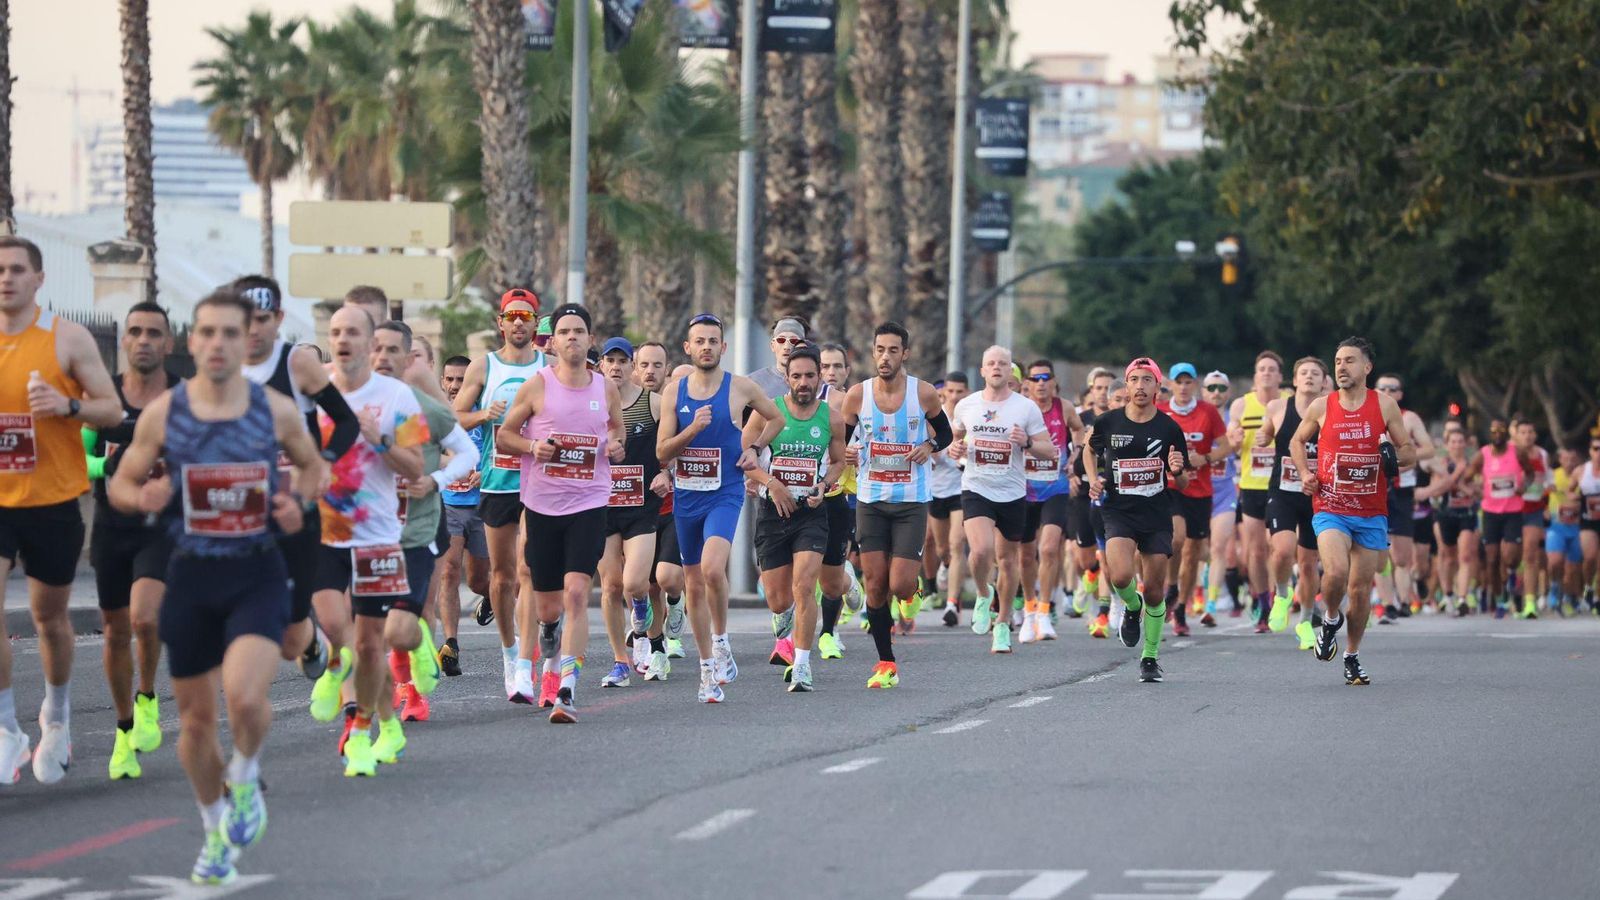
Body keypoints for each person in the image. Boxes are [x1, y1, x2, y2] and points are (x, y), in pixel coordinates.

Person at [107, 290, 326, 884]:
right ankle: (213, 833)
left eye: (231, 332)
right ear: (193, 340)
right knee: (197, 726)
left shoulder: (274, 409)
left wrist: (296, 501)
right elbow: (119, 482)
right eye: (207, 332)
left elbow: (314, 467)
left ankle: (248, 775)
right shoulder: (166, 413)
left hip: (255, 572)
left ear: (245, 337)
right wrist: (141, 496)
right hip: (191, 577)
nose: (219, 343)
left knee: (246, 699)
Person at [0, 235, 124, 787]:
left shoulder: (66, 338)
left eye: (17, 270)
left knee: (49, 620)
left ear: (39, 279)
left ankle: (57, 716)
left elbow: (113, 409)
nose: (6, 279)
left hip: (52, 500)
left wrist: (68, 406)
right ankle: (6, 728)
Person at [309, 306, 431, 776]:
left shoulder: (397, 395)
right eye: (335, 331)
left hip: (377, 535)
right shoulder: (314, 391)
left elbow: (415, 466)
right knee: (334, 626)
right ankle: (335, 670)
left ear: (369, 343)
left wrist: (378, 439)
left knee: (368, 646)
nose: (343, 339)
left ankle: (366, 729)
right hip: (323, 531)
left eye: (352, 332)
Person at [496, 304, 625, 722]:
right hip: (542, 505)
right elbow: (504, 436)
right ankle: (548, 635)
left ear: (590, 340)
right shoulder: (537, 386)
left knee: (575, 593)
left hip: (589, 502)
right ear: (551, 341)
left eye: (580, 331)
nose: (572, 337)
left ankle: (566, 688)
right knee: (548, 606)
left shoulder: (604, 388)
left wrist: (616, 444)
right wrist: (533, 447)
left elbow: (616, 429)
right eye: (565, 331)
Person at [234, 274, 359, 676]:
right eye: (244, 319)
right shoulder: (220, 368)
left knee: (289, 640)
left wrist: (323, 461)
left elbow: (346, 422)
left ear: (278, 318)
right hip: (239, 510)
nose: (253, 329)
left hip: (298, 508)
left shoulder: (297, 364)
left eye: (262, 319)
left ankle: (309, 642)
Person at [657, 313, 783, 703]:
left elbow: (776, 418)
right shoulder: (673, 393)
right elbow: (662, 452)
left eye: (714, 341)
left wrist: (755, 450)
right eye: (700, 341)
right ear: (688, 348)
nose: (707, 347)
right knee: (693, 581)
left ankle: (722, 640)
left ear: (723, 348)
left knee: (713, 568)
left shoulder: (740, 388)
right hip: (687, 497)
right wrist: (692, 429)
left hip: (724, 492)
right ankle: (707, 668)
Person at [83, 302, 177, 780]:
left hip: (160, 528)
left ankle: (147, 696)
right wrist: (106, 468)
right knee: (115, 629)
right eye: (135, 331)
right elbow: (77, 459)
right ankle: (124, 730)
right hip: (111, 525)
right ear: (123, 340)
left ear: (169, 343)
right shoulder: (105, 399)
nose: (143, 339)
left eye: (153, 332)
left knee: (145, 617)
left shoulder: (183, 398)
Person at [1290, 337, 1416, 686]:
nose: (1341, 367)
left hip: (1372, 511)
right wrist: (1304, 473)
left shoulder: (1385, 405)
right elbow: (1297, 441)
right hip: (1330, 506)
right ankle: (1330, 618)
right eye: (1338, 361)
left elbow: (1409, 453)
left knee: (1360, 591)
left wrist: (1392, 455)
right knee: (1335, 572)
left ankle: (1352, 655)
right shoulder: (1322, 406)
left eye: (1349, 361)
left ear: (1367, 368)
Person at [372, 322, 475, 722]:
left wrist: (435, 477)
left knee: (418, 609)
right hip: (373, 525)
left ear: (425, 364)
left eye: (414, 356)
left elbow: (458, 451)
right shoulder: (363, 400)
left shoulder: (429, 407)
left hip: (423, 518)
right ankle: (389, 689)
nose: (403, 362)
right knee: (376, 620)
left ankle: (412, 690)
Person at [838, 322, 951, 688]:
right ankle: (886, 663)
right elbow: (839, 441)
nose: (885, 357)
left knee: (900, 583)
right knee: (874, 584)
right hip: (870, 501)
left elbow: (945, 433)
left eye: (893, 350)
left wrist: (929, 446)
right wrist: (848, 452)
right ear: (873, 353)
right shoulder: (857, 395)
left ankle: (913, 592)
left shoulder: (925, 393)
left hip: (911, 502)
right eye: (880, 350)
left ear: (905, 354)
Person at [451, 289, 546, 699]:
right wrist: (483, 416)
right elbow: (454, 416)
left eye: (526, 315)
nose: (519, 322)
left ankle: (526, 660)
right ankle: (510, 652)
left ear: (536, 323)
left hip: (539, 482)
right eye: (512, 316)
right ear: (501, 322)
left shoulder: (549, 368)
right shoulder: (483, 366)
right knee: (502, 577)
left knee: (528, 572)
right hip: (496, 481)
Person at [743, 343, 846, 691]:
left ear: (820, 377)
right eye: (797, 376)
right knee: (778, 598)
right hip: (773, 511)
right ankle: (782, 617)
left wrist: (824, 485)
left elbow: (838, 462)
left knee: (805, 587)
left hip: (811, 512)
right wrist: (772, 484)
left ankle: (801, 664)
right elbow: (745, 457)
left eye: (810, 375)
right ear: (786, 377)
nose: (803, 382)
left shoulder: (831, 416)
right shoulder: (768, 412)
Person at [1083, 357, 1189, 683]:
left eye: (1147, 380)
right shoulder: (1108, 422)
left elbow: (1182, 482)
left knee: (1156, 590)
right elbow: (1089, 450)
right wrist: (1093, 479)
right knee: (1120, 576)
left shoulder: (1169, 428)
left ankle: (1150, 657)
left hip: (1156, 513)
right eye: (1134, 379)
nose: (1140, 386)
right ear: (1126, 385)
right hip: (1118, 510)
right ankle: (1132, 606)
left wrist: (1176, 469)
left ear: (1158, 387)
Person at [950, 348, 1056, 653]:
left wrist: (1027, 442)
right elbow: (955, 438)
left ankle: (1003, 624)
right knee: (981, 551)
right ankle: (984, 595)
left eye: (1002, 364)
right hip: (976, 486)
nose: (997, 368)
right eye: (991, 364)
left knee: (1008, 560)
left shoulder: (1026, 408)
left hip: (1012, 491)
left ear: (1011, 372)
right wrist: (955, 449)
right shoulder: (967, 405)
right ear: (982, 371)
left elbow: (1049, 451)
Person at [593, 337, 671, 686]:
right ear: (601, 366)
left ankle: (641, 610)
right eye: (610, 361)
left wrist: (666, 473)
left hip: (642, 508)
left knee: (636, 582)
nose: (616, 367)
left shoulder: (653, 403)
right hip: (601, 506)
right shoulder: (591, 406)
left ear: (632, 367)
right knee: (610, 587)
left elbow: (672, 447)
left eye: (623, 361)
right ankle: (620, 662)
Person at [1256, 356, 1328, 648]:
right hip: (1283, 491)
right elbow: (1266, 432)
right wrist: (1262, 436)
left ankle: (1306, 621)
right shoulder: (1277, 407)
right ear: (1295, 380)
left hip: (1315, 495)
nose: (1309, 377)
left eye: (1315, 373)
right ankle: (1283, 594)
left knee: (1309, 563)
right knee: (1283, 550)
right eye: (1304, 373)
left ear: (1324, 382)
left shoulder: (1330, 411)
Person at [1157, 362, 1231, 636]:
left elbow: (1226, 446)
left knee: (1193, 553)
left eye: (1189, 382)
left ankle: (1181, 606)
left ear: (1195, 386)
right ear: (1172, 385)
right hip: (1172, 486)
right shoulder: (1162, 411)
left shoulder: (1207, 412)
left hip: (1200, 490)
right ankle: (1171, 585)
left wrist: (1206, 457)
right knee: (1177, 539)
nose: (1185, 387)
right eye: (1180, 382)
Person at [435, 354, 490, 676]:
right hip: (448, 503)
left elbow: (502, 448)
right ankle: (451, 644)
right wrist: (450, 463)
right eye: (450, 379)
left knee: (483, 580)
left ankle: (491, 598)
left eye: (461, 379)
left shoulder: (484, 411)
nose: (455, 386)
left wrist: (485, 472)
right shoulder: (436, 412)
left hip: (484, 505)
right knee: (448, 571)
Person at [1370, 374, 1437, 624]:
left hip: (1401, 490)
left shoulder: (1409, 418)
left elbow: (1429, 448)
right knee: (1378, 549)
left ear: (1400, 394)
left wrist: (1403, 457)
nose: (1388, 391)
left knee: (1401, 555)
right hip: (1374, 487)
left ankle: (1405, 600)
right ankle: (1388, 603)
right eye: (1382, 387)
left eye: (1393, 388)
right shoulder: (1368, 415)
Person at [636, 342, 687, 660]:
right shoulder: (623, 406)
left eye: (657, 365)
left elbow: (688, 451)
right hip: (635, 508)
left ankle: (676, 600)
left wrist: (668, 472)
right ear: (634, 367)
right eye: (644, 365)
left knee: (666, 578)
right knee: (642, 583)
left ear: (666, 370)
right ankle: (652, 646)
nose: (650, 371)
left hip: (674, 506)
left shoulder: (673, 408)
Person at [1227, 351, 1286, 623]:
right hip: (1251, 484)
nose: (1266, 373)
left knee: (1280, 548)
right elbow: (1232, 438)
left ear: (1280, 376)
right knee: (1256, 550)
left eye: (1272, 369)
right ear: (1255, 375)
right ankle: (1263, 602)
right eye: (1261, 369)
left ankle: (1280, 596)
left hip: (1283, 484)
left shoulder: (1289, 403)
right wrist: (1236, 438)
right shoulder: (1241, 404)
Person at [816, 342, 864, 652]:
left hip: (847, 493)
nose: (831, 373)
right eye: (825, 367)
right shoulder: (801, 403)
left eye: (837, 367)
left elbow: (873, 444)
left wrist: (854, 453)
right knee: (807, 566)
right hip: (808, 492)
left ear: (847, 371)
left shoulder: (855, 403)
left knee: (829, 568)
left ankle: (829, 633)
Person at [1458, 419, 1533, 616]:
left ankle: (1511, 577)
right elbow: (1465, 480)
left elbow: (1531, 473)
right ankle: (1501, 600)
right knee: (1492, 559)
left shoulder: (1516, 452)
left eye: (1500, 429)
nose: (1497, 433)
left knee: (1510, 557)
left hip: (1513, 511)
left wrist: (1524, 486)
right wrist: (1475, 492)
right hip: (1490, 512)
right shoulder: (1482, 455)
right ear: (1489, 434)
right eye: (1493, 430)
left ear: (1506, 432)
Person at [342, 285, 449, 405]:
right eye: (350, 322)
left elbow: (450, 422)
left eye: (367, 322)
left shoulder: (411, 373)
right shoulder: (328, 378)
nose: (358, 330)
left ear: (384, 324)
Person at [929, 372, 970, 628]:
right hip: (936, 490)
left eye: (960, 392)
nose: (954, 397)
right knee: (942, 549)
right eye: (950, 392)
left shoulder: (973, 415)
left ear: (967, 392)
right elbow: (930, 453)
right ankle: (945, 566)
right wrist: (943, 447)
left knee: (957, 545)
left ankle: (952, 603)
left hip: (962, 489)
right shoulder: (936, 417)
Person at [1201, 370, 1242, 622]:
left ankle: (1212, 603)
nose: (1216, 392)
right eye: (1211, 387)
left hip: (1225, 491)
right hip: (1196, 491)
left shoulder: (1233, 420)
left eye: (1221, 388)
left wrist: (1239, 443)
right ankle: (1207, 575)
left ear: (1228, 392)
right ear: (1203, 391)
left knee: (1219, 546)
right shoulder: (1195, 417)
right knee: (1194, 550)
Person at [1431, 427, 1482, 615]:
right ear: (1447, 444)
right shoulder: (1441, 464)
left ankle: (1462, 597)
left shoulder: (1473, 464)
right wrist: (1456, 479)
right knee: (1448, 555)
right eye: (1453, 441)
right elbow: (1435, 490)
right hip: (1446, 514)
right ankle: (1448, 593)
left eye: (1461, 441)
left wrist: (1471, 488)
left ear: (1466, 444)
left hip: (1467, 513)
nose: (1457, 445)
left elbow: (1481, 488)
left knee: (1466, 555)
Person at [1513, 418, 1551, 617]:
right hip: (1511, 510)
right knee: (1511, 557)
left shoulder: (1542, 454)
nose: (1527, 436)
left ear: (1535, 435)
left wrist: (1546, 502)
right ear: (1516, 435)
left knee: (1530, 554)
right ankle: (1511, 593)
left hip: (1534, 510)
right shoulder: (1510, 454)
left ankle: (1530, 602)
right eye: (1523, 432)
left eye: (1530, 432)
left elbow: (1547, 482)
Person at [1544, 444, 1584, 615]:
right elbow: (1539, 493)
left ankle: (1569, 597)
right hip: (1556, 525)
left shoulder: (1584, 476)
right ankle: (1554, 586)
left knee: (1573, 568)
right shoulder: (1552, 475)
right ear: (1560, 460)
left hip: (1577, 526)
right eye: (1565, 459)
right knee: (1555, 561)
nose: (1569, 463)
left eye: (1573, 460)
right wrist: (1544, 507)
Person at [748, 317, 808, 399]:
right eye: (781, 340)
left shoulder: (816, 384)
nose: (787, 347)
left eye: (793, 341)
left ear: (803, 346)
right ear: (772, 345)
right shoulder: (753, 382)